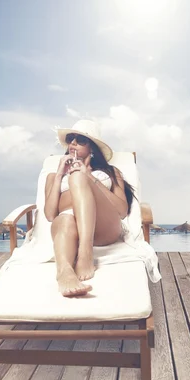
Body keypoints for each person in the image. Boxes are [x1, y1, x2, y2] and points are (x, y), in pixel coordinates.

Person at [44, 120, 136, 297]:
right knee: (63, 219)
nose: (73, 143)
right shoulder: (53, 177)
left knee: (77, 177)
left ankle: (85, 252)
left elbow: (122, 211)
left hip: (103, 228)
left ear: (92, 148)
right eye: (71, 139)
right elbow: (50, 215)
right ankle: (64, 272)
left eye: (80, 140)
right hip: (70, 227)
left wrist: (88, 177)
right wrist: (59, 175)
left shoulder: (111, 172)